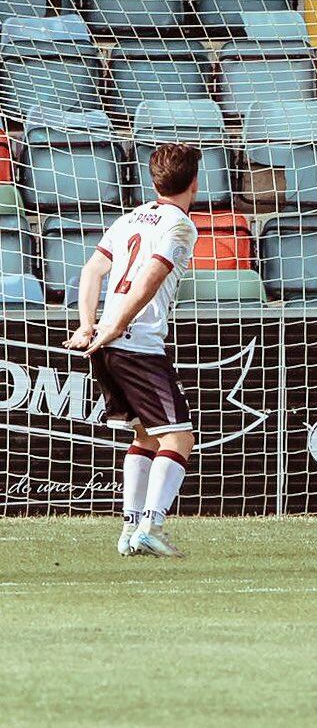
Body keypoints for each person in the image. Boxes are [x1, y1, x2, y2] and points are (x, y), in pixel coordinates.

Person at [64, 143, 202, 558]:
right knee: (179, 439)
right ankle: (151, 526)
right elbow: (148, 282)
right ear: (195, 182)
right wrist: (116, 326)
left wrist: (90, 325)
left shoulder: (128, 219)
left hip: (108, 344)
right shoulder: (180, 225)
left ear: (153, 178)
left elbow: (91, 270)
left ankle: (129, 530)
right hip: (135, 343)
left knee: (145, 435)